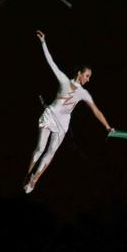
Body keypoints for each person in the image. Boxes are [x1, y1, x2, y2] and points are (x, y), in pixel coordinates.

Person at [23, 30, 113, 193]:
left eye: (89, 77)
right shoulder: (63, 80)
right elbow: (51, 62)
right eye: (87, 75)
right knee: (39, 148)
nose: (88, 79)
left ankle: (34, 180)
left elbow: (96, 110)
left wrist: (107, 126)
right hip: (50, 116)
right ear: (79, 74)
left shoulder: (84, 93)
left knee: (50, 153)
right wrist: (44, 43)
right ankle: (28, 174)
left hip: (63, 124)